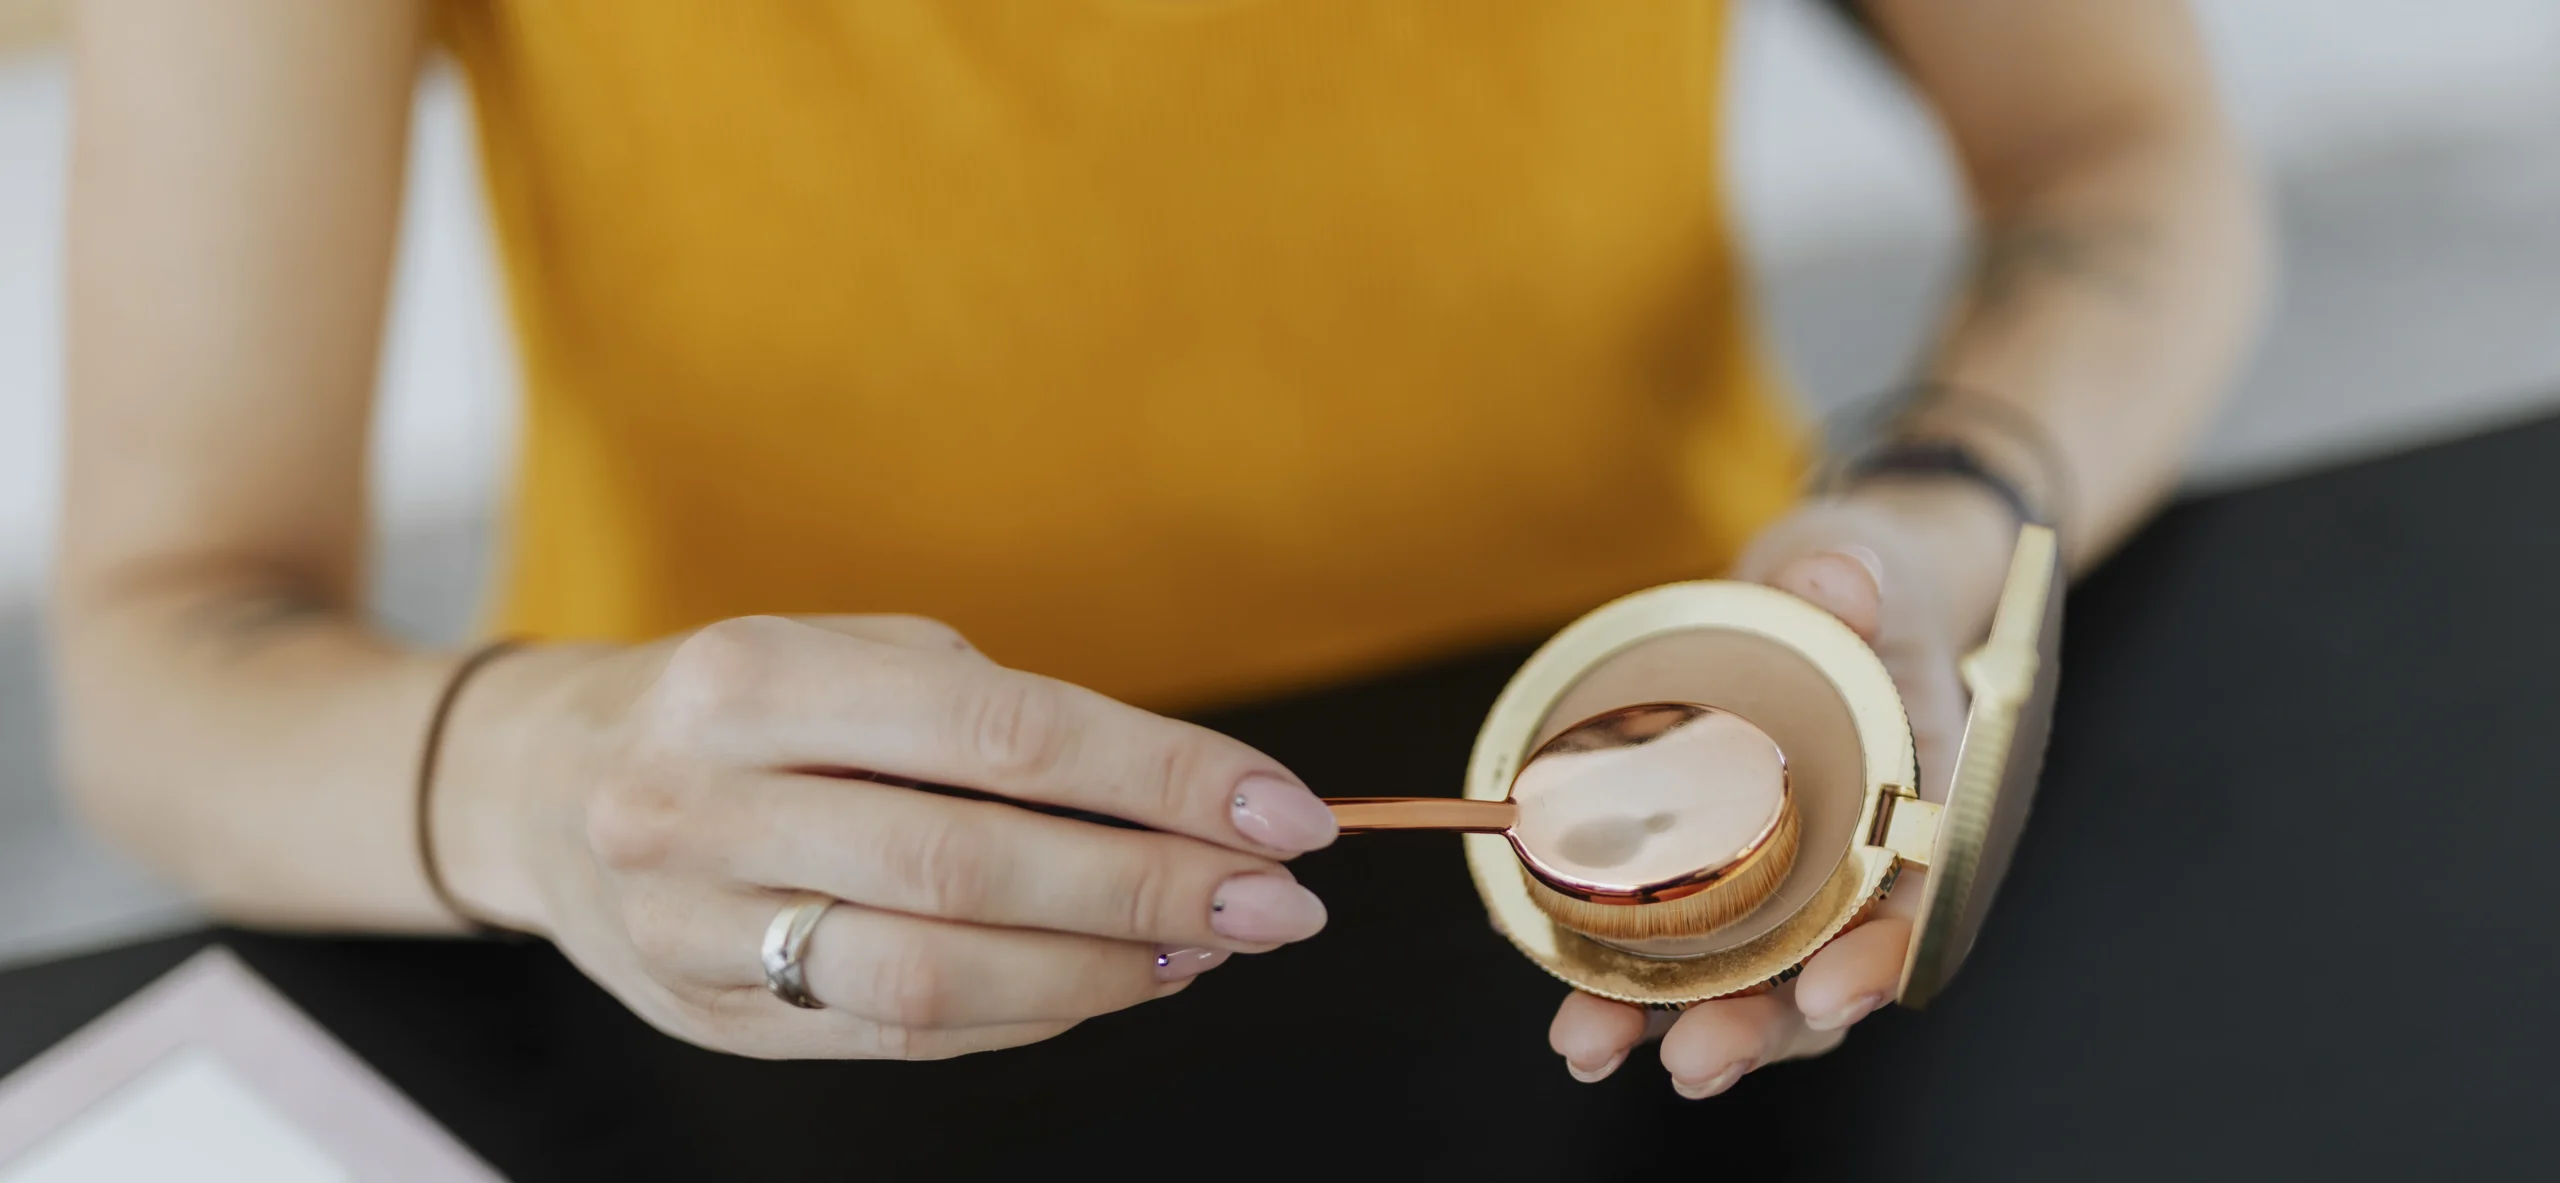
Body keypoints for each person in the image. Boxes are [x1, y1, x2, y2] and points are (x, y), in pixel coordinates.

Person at [53, 1, 2263, 1091]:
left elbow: (2118, 155)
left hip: (1669, 960)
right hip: (757, 963)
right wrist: (538, 790)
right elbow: (163, 651)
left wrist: (1951, 517)